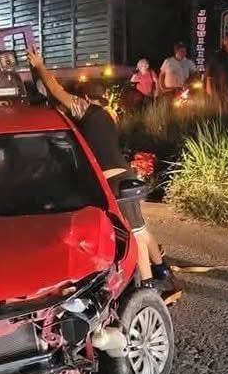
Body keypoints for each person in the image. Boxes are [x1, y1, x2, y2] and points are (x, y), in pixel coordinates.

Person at [27, 45, 174, 292]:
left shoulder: (87, 110)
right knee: (141, 226)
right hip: (126, 176)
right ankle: (161, 269)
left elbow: (55, 91)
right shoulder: (107, 114)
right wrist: (36, 75)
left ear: (84, 98)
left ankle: (147, 286)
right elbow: (52, 98)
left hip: (115, 183)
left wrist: (39, 65)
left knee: (134, 234)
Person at [205, 35, 228, 111]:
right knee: (219, 108)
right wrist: (208, 86)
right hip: (219, 87)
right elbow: (208, 72)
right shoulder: (216, 56)